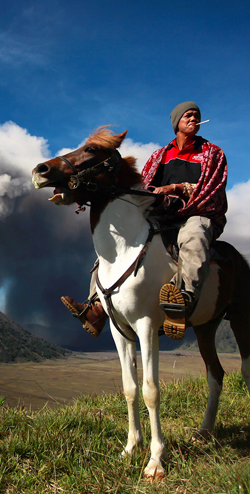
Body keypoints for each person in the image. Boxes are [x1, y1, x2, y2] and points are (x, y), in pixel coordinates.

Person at [61, 101, 228, 340]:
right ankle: (96, 308)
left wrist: (176, 188)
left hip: (196, 211)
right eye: (188, 115)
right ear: (176, 123)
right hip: (162, 210)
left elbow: (212, 187)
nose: (193, 119)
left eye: (196, 116)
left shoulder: (213, 153)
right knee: (118, 242)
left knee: (195, 236)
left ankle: (183, 300)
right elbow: (143, 185)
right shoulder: (159, 155)